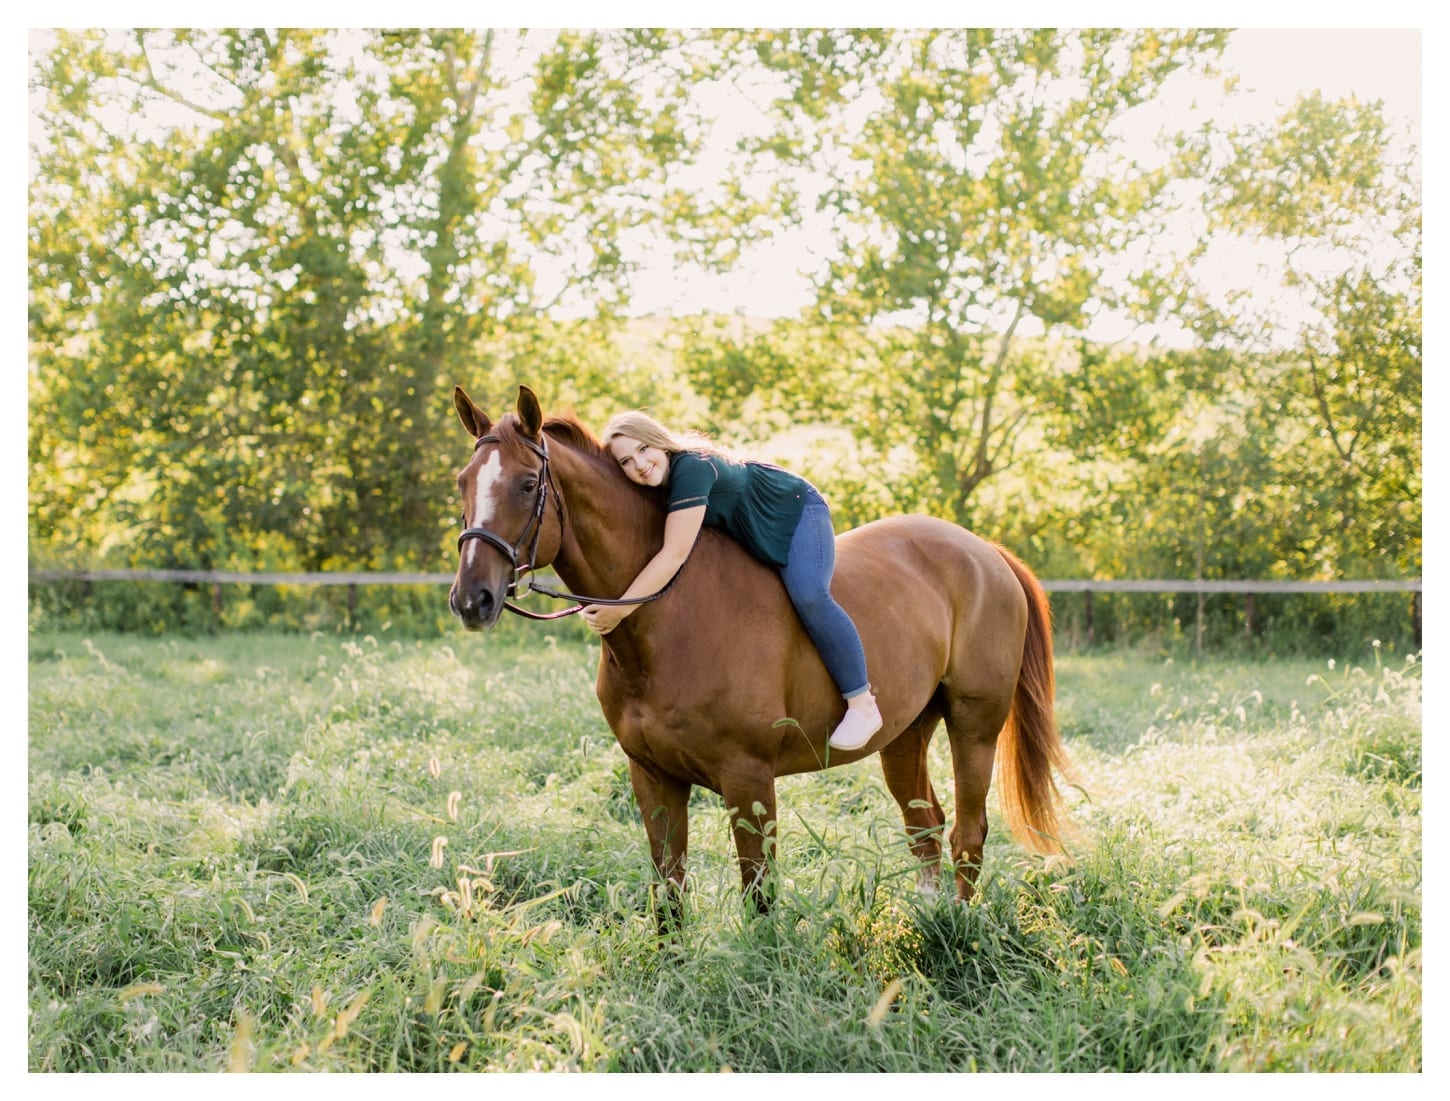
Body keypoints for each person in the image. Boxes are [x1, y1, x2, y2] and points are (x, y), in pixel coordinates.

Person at [583, 411, 883, 751]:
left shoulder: (692, 468)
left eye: (643, 449)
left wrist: (620, 609)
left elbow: (674, 553)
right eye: (625, 461)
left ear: (660, 442)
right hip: (750, 528)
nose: (638, 464)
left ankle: (862, 704)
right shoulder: (657, 483)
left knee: (809, 595)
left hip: (795, 512)